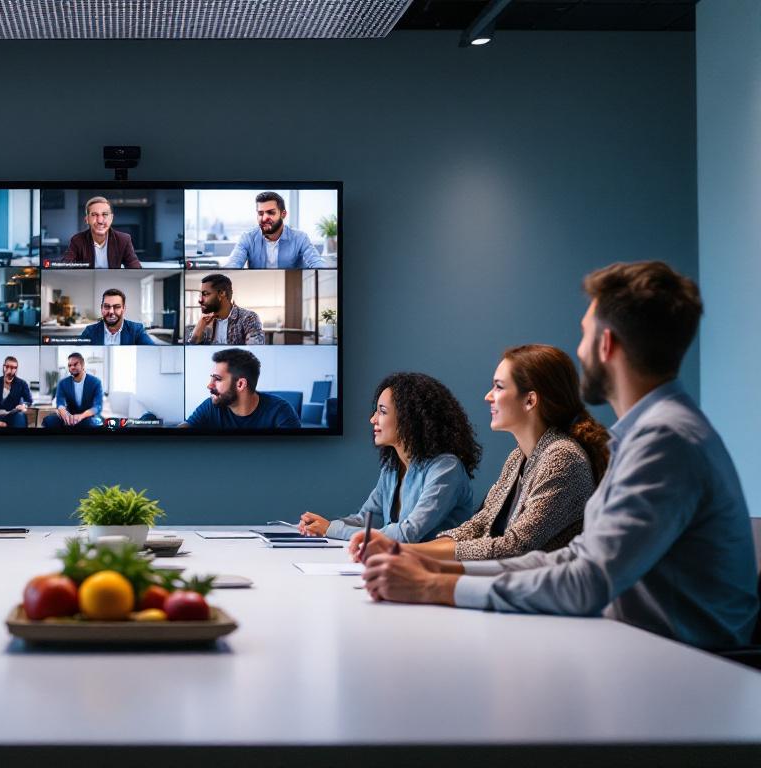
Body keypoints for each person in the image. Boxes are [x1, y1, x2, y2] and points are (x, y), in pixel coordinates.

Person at [361, 261, 758, 650]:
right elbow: (573, 560)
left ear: (606, 345)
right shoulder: (653, 432)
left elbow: (586, 581)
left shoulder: (663, 439)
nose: (580, 350)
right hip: (649, 648)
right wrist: (435, 568)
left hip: (689, 667)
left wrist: (435, 585)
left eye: (583, 334)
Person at [354, 345, 608, 563]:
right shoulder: (518, 458)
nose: (488, 396)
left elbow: (515, 547)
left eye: (498, 387)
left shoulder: (562, 457)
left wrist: (408, 552)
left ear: (530, 401)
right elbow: (480, 524)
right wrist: (403, 550)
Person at [300, 373, 478, 543]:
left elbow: (407, 534)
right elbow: (367, 521)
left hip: (437, 570)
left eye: (382, 412)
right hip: (403, 564)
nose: (373, 419)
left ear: (410, 419)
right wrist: (323, 525)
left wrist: (331, 529)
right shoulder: (393, 467)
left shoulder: (446, 468)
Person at [180, 348, 299, 429]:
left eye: (217, 379)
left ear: (241, 384)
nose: (209, 385)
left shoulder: (280, 411)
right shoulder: (211, 406)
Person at [223, 191, 325, 269]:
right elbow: (233, 264)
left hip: (291, 289)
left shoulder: (300, 238)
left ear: (283, 214)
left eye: (271, 212)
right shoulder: (248, 238)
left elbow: (317, 263)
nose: (264, 218)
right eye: (260, 213)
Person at [60, 197, 142, 268]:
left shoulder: (123, 239)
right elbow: (65, 265)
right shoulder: (77, 240)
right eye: (94, 215)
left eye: (105, 214)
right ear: (87, 219)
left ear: (111, 218)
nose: (100, 220)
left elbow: (135, 268)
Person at [185, 274, 266, 345]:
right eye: (200, 295)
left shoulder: (248, 317)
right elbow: (191, 351)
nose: (200, 300)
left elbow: (255, 351)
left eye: (205, 294)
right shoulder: (205, 322)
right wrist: (199, 327)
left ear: (221, 294)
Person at [42, 353, 103, 429]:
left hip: (87, 415)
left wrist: (81, 416)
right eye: (70, 365)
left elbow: (97, 407)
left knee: (90, 424)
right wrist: (64, 413)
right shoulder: (63, 383)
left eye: (75, 364)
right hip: (70, 415)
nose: (72, 367)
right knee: (49, 420)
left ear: (83, 365)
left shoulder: (95, 382)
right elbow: (60, 403)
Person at [79, 289, 157, 345]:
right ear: (101, 308)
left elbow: (152, 351)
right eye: (106, 306)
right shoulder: (89, 331)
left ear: (124, 309)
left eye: (117, 307)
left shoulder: (136, 330)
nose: (111, 311)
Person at [0, 356, 33, 428]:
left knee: (20, 416)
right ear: (3, 367)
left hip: (11, 415)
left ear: (16, 369)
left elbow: (29, 400)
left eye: (13, 368)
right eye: (7, 366)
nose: (9, 370)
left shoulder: (22, 384)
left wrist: (23, 405)